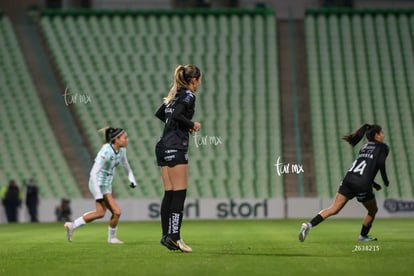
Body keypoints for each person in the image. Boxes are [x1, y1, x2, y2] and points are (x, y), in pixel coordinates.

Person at [299, 124, 390, 242]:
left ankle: (308, 225)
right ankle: (363, 236)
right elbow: (380, 164)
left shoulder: (364, 147)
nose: (383, 135)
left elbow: (363, 168)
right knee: (373, 211)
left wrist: (373, 183)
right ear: (376, 135)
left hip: (348, 179)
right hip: (362, 184)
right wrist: (385, 180)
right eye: (381, 133)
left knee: (333, 209)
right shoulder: (383, 147)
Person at [155, 64, 202, 252]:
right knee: (179, 194)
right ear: (194, 80)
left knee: (170, 193)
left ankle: (166, 236)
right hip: (176, 147)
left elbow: (161, 114)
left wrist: (182, 126)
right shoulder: (189, 95)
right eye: (199, 80)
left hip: (162, 146)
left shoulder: (174, 95)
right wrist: (192, 124)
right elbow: (176, 114)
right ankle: (175, 237)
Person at [64, 127, 137, 244]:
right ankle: (112, 238)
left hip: (107, 185)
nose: (127, 140)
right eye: (125, 138)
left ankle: (72, 225)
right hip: (97, 183)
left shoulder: (122, 150)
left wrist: (132, 179)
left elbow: (125, 165)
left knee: (100, 213)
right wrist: (98, 193)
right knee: (117, 212)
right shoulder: (105, 152)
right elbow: (93, 173)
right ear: (117, 139)